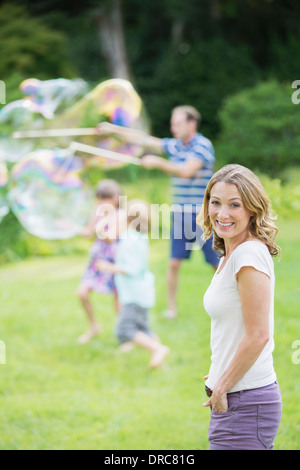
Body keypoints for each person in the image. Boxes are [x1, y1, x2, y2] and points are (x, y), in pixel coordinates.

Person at [97, 105, 219, 319]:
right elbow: (144, 140)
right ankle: (172, 308)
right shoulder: (175, 146)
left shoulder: (202, 145)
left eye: (178, 124)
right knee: (173, 263)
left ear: (191, 124)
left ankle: (231, 300)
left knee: (216, 263)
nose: (173, 128)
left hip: (202, 215)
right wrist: (113, 130)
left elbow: (186, 171)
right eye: (173, 124)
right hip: (181, 214)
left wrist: (157, 162)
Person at [196, 164, 282, 450]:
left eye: (235, 205)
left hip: (246, 401)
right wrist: (222, 366)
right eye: (215, 202)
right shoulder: (230, 252)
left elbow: (259, 335)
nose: (222, 213)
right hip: (240, 397)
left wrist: (222, 385)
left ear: (252, 209)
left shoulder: (247, 255)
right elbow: (236, 325)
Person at [97, 199, 170, 369]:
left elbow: (132, 268)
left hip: (134, 294)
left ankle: (158, 349)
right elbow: (112, 237)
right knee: (144, 329)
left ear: (128, 219)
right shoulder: (137, 237)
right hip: (142, 292)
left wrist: (109, 267)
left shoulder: (130, 240)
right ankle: (161, 362)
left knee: (124, 329)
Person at [77, 179, 124, 344]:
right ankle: (93, 327)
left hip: (113, 261)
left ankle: (127, 335)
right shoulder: (96, 212)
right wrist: (70, 227)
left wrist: (101, 224)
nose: (102, 202)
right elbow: (88, 233)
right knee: (82, 293)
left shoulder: (121, 215)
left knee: (118, 303)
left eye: (106, 198)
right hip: (97, 260)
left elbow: (111, 237)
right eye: (100, 199)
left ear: (117, 198)